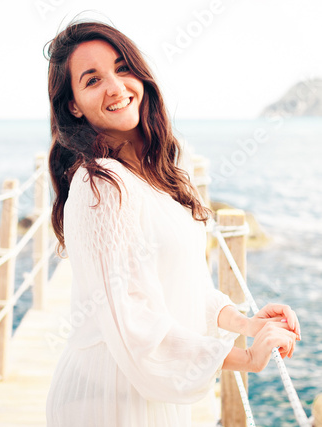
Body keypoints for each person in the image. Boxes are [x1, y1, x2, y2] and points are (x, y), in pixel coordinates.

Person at [44, 20, 301, 427]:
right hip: (108, 400)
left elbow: (185, 286)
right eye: (93, 80)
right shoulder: (100, 186)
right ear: (73, 104)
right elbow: (133, 321)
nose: (115, 87)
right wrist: (245, 359)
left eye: (122, 67)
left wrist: (247, 323)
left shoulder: (157, 175)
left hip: (147, 395)